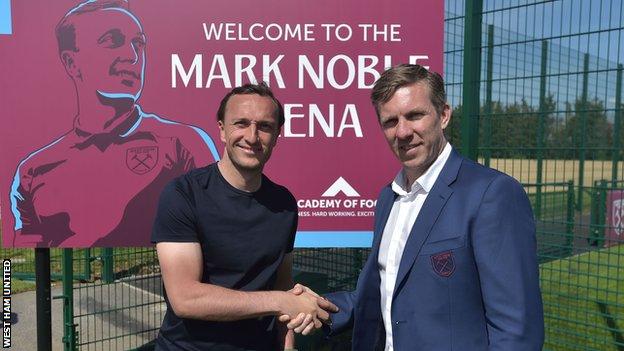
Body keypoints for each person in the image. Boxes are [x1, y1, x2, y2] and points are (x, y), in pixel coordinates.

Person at [286, 64, 544, 350]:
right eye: (390, 121)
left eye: (414, 115)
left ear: (444, 115)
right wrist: (317, 307)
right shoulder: (388, 198)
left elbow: (516, 330)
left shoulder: (491, 194)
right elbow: (380, 296)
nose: (403, 131)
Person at [9, 0, 219, 247]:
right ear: (71, 62)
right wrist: (8, 284)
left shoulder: (184, 144)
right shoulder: (33, 171)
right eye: (112, 41)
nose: (132, 56)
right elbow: (25, 255)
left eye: (138, 43)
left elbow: (220, 229)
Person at [152, 83, 338, 350]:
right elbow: (185, 298)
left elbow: (283, 284)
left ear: (276, 135)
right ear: (222, 130)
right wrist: (279, 301)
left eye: (264, 126)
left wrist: (288, 343)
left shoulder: (283, 204)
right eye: (241, 123)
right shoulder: (183, 194)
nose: (252, 136)